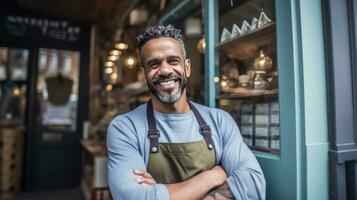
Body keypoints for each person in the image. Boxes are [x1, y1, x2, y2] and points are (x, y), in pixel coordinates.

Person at [107, 24, 266, 200]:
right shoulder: (125, 127)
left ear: (187, 67)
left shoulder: (220, 121)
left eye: (173, 61)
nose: (166, 70)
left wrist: (160, 191)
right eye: (154, 64)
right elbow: (133, 197)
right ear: (144, 75)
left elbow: (254, 183)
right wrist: (211, 177)